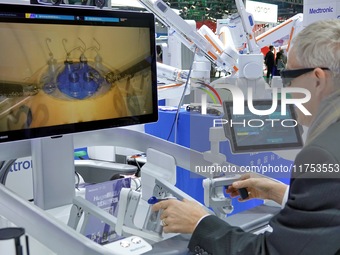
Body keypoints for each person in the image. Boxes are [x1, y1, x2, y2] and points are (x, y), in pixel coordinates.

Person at [152, 19, 340, 255]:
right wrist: (281, 193)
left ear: (317, 79)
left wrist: (200, 223)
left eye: (289, 77)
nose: (285, 90)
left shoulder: (322, 155)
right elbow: (330, 215)